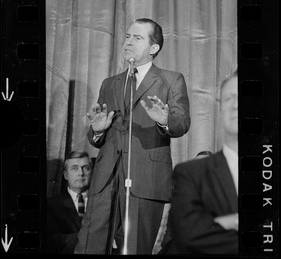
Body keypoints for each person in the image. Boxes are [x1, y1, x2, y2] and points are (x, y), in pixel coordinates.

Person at [75, 18, 191, 254]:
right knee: (89, 246)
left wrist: (164, 120)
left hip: (146, 179)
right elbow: (95, 133)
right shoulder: (110, 83)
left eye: (137, 38)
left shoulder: (171, 79)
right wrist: (97, 130)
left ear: (154, 48)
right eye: (127, 36)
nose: (128, 41)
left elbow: (182, 123)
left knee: (134, 248)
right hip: (106, 178)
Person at [169, 70, 238, 254]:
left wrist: (220, 224)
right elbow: (188, 236)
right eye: (230, 98)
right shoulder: (190, 174)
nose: (237, 105)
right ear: (221, 109)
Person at [47, 151, 93, 253]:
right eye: (74, 168)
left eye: (86, 168)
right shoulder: (52, 205)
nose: (81, 173)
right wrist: (91, 238)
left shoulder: (103, 203)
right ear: (66, 175)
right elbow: (52, 240)